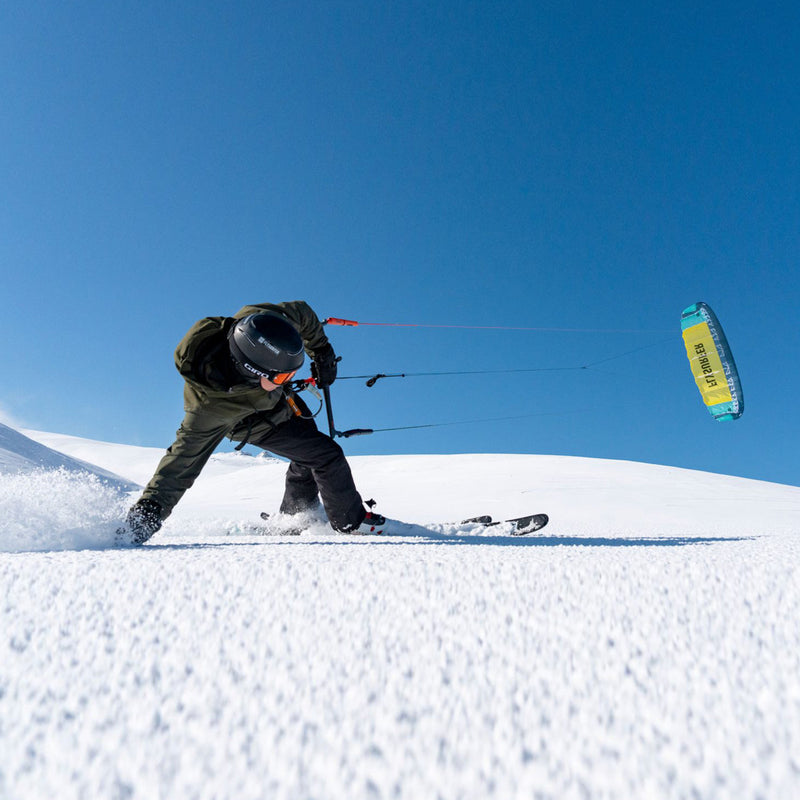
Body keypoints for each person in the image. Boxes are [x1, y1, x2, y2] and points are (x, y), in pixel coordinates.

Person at [121, 300, 385, 544]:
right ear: (251, 371)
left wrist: (322, 351)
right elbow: (180, 464)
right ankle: (350, 522)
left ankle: (296, 517)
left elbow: (302, 313)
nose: (290, 376)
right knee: (327, 455)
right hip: (256, 423)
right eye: (283, 376)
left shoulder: (260, 323)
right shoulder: (210, 409)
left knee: (308, 454)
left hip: (281, 402)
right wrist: (147, 515)